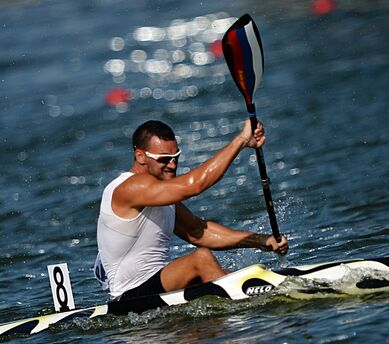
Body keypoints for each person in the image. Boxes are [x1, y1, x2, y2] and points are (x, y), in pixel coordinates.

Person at [95, 119, 288, 300]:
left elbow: (198, 232)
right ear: (140, 156)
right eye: (164, 159)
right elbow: (194, 186)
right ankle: (248, 307)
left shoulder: (159, 194)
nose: (172, 165)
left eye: (176, 157)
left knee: (222, 273)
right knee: (200, 259)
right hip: (129, 298)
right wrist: (240, 140)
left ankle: (254, 293)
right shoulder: (130, 187)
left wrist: (261, 240)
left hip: (160, 290)